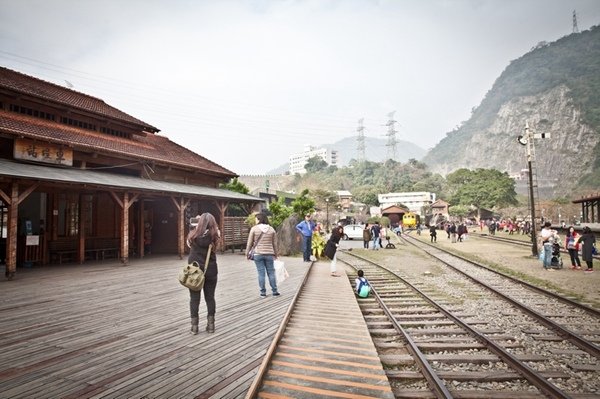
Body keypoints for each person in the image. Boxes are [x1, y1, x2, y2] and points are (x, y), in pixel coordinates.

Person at [186, 213, 220, 334]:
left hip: (195, 272)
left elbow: (188, 244)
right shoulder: (215, 236)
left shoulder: (193, 235)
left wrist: (197, 226)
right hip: (210, 270)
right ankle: (211, 326)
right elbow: (217, 238)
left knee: (194, 299)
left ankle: (194, 327)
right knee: (210, 298)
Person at [247, 213, 280, 297]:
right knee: (271, 273)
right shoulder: (271, 229)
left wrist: (247, 253)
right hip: (269, 254)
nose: (255, 220)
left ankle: (263, 293)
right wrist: (276, 254)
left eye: (256, 219)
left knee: (261, 273)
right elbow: (275, 244)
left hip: (258, 254)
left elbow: (249, 243)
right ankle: (275, 291)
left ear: (259, 219)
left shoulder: (254, 229)